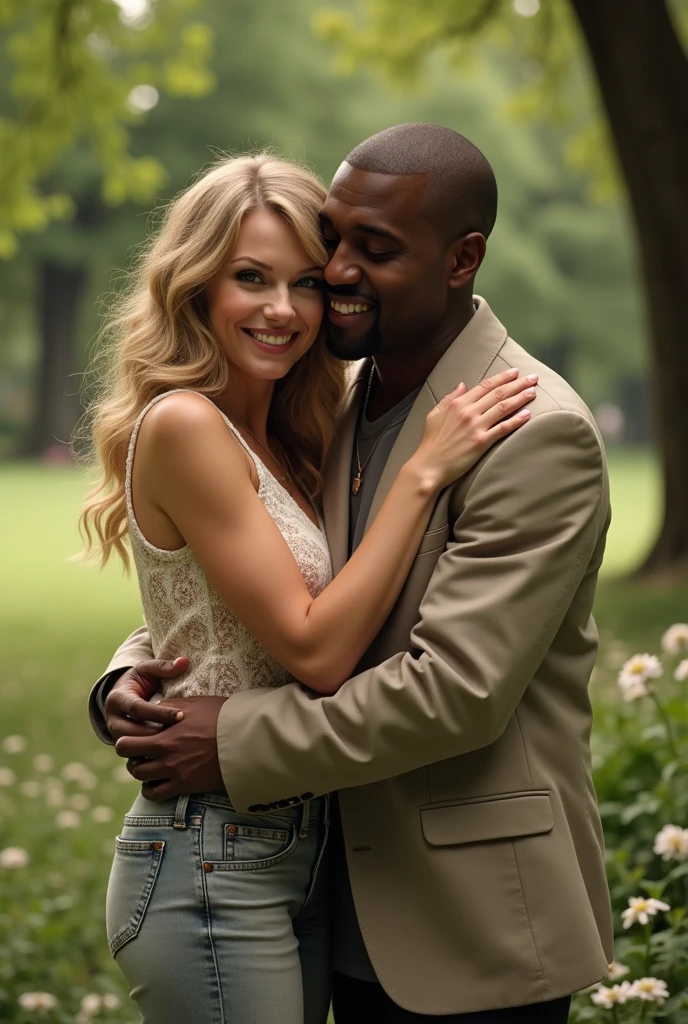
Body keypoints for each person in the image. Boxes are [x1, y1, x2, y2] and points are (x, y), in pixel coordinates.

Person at [90, 124, 614, 1022]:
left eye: (370, 251)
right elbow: (258, 590)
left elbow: (454, 691)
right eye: (334, 242)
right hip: (323, 895)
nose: (330, 279)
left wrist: (229, 739)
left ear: (464, 259)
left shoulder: (531, 430)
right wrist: (130, 677)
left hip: (467, 918)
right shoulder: (344, 400)